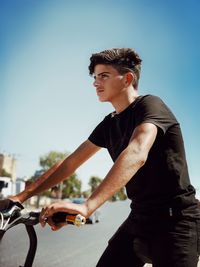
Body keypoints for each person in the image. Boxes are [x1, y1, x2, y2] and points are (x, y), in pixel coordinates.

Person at [1, 48, 200, 266]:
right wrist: (21, 197)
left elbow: (136, 153)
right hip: (140, 217)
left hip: (177, 220)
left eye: (103, 76)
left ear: (128, 79)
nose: (95, 83)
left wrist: (87, 207)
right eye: (94, 77)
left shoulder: (150, 105)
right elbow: (70, 163)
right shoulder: (109, 124)